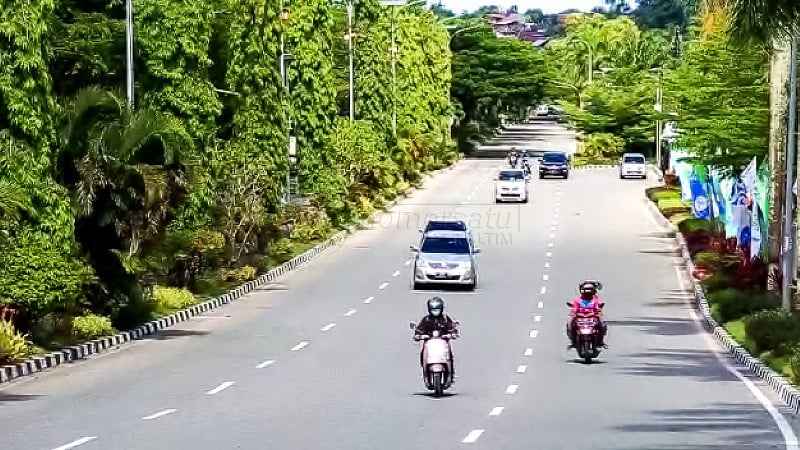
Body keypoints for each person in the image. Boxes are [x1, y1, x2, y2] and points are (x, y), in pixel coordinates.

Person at [414, 296, 459, 382]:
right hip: (429, 343)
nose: (435, 311)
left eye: (437, 309)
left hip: (443, 342)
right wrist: (419, 335)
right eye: (433, 309)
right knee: (422, 352)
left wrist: (451, 334)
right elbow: (419, 330)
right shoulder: (426, 320)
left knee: (449, 354)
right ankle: (425, 368)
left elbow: (452, 328)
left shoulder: (445, 319)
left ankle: (450, 372)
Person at [566, 281, 607, 348]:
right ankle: (573, 341)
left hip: (592, 317)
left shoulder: (595, 300)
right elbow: (575, 308)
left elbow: (598, 306)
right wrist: (573, 312)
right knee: (570, 323)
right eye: (586, 290)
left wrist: (598, 311)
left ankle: (600, 341)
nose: (588, 292)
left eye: (590, 290)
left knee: (602, 324)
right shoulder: (578, 300)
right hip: (580, 317)